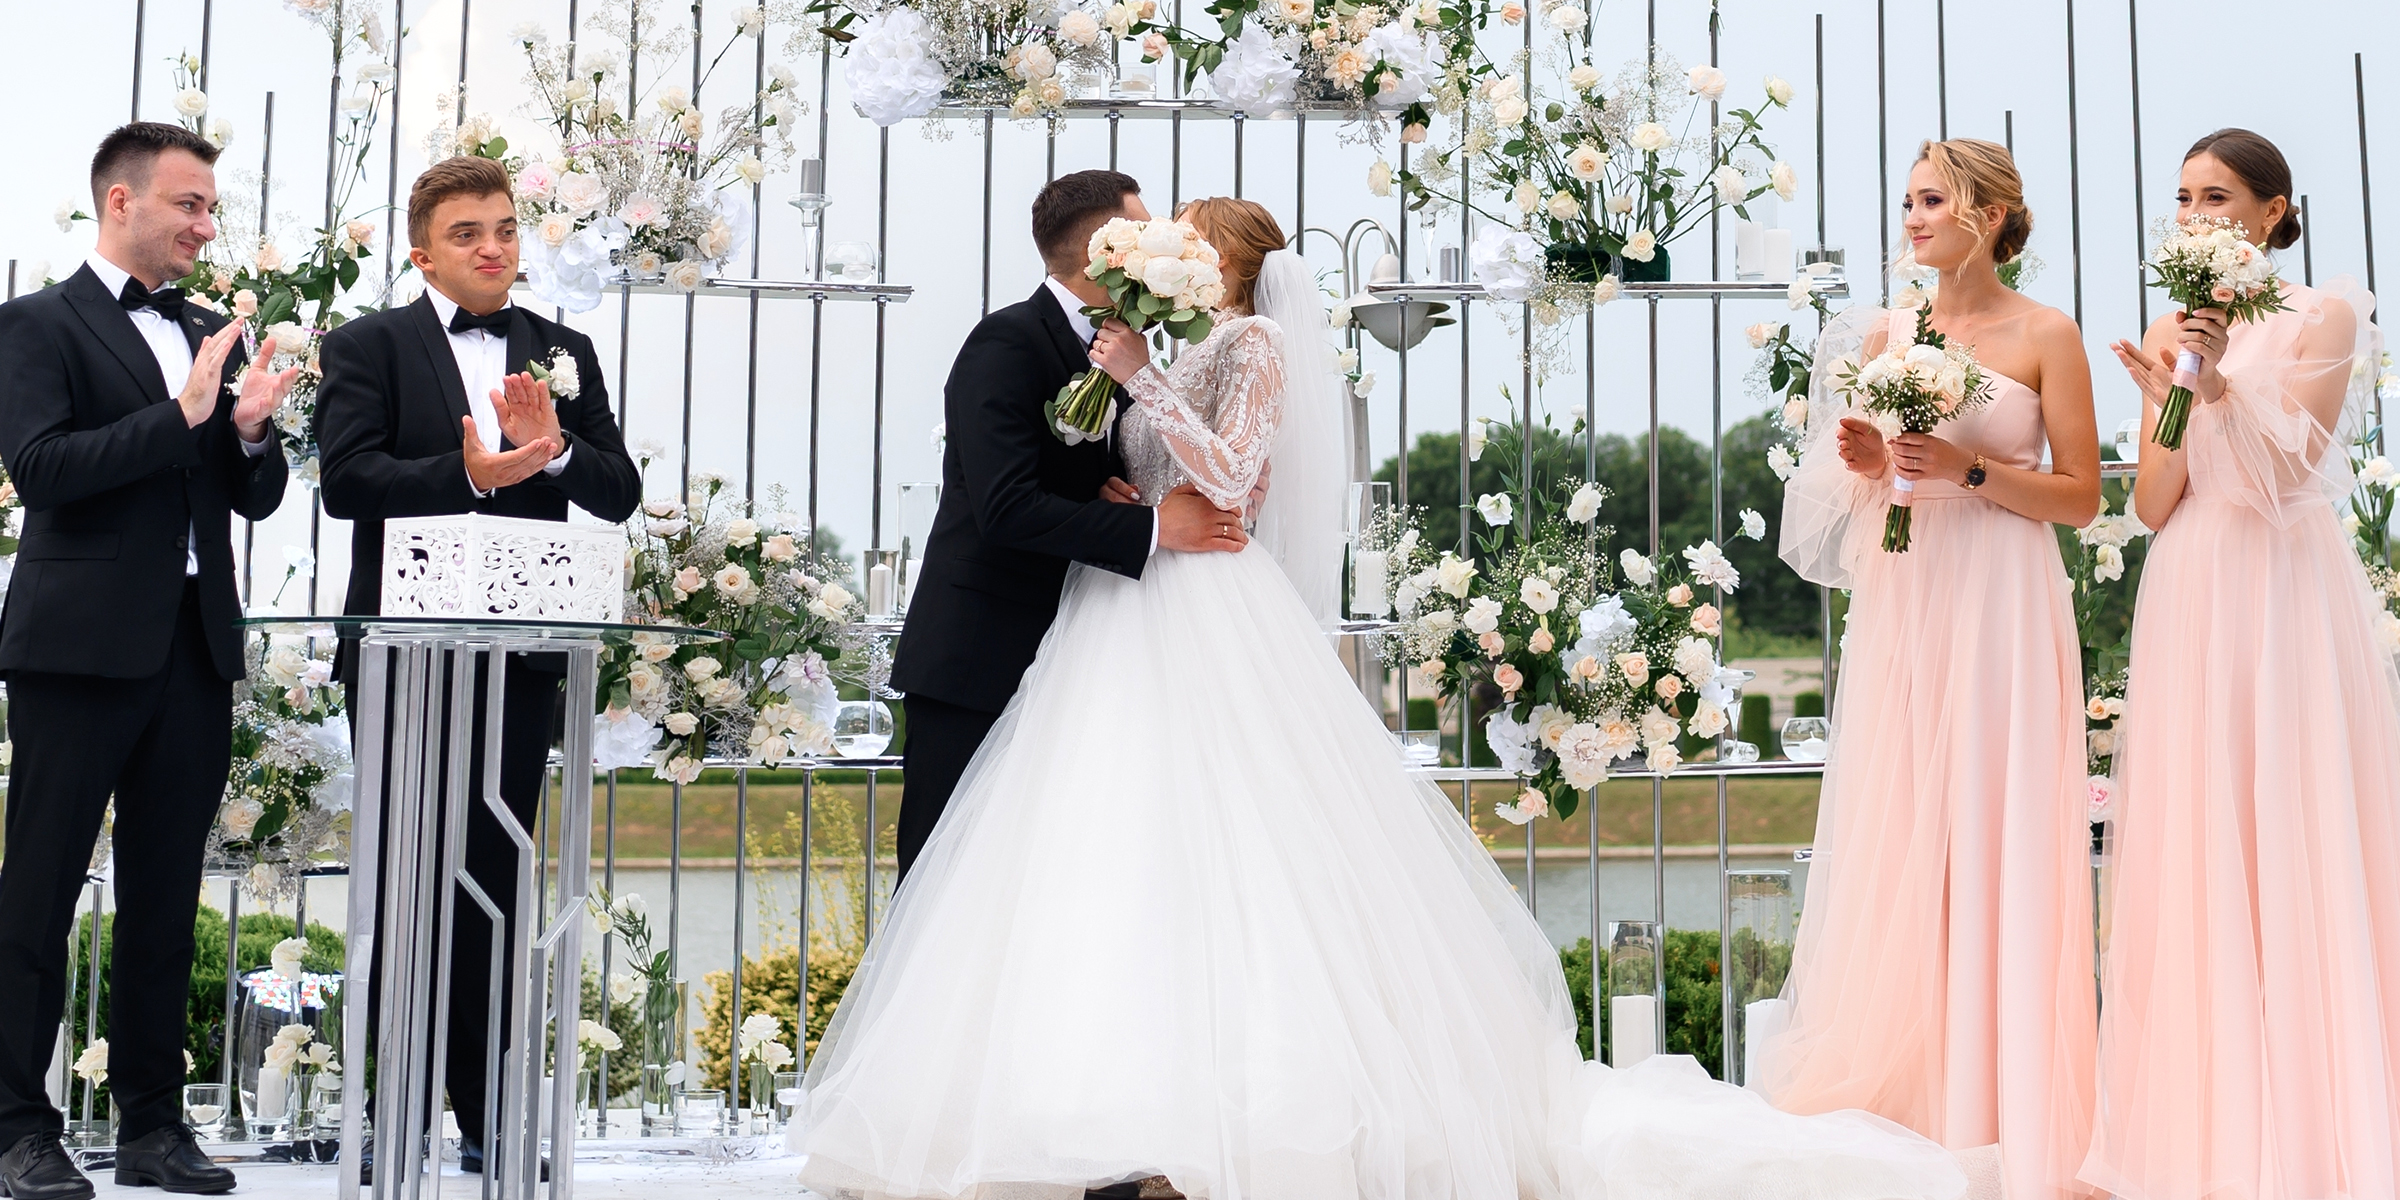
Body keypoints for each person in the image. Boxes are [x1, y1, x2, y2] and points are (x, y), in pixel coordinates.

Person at [795, 195, 1968, 1200]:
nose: (1172, 258)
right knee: (1106, 844)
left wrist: (1146, 392)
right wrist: (1123, 474)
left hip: (1205, 602)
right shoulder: (1153, 345)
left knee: (1245, 846)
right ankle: (1084, 1100)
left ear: (1232, 267)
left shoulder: (1248, 343)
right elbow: (1138, 467)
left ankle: (1239, 1108)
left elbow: (1236, 477)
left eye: (1191, 245)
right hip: (1122, 605)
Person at [1765, 138, 2102, 1200]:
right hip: (1911, 603)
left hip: (2003, 593)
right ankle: (1913, 1100)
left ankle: (2009, 1108)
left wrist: (1970, 467)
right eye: (1906, 200)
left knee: (1999, 827)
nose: (1911, 218)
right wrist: (1871, 468)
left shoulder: (2049, 334)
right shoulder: (1885, 331)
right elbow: (1860, 494)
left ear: (1991, 216)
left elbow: (2084, 497)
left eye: (1932, 201)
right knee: (1909, 826)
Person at [2079, 129, 2400, 1200]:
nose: (2196, 215)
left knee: (2297, 830)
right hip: (2193, 586)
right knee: (2199, 840)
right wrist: (2172, 386)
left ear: (2272, 210)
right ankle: (2203, 1127)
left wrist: (2219, 385)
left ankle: (2318, 1121)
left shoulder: (2323, 313)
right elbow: (2154, 501)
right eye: (2182, 199)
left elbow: (2291, 468)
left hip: (2285, 590)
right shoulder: (2173, 326)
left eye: (2218, 196)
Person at [315, 155, 641, 1177]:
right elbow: (346, 481)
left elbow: (620, 491)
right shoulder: (366, 344)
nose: (494, 247)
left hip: (520, 656)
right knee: (406, 881)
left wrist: (552, 454)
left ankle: (487, 1112)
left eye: (504, 228)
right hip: (405, 658)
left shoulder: (563, 349)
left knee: (494, 882)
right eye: (468, 233)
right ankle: (393, 1108)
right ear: (422, 253)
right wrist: (463, 472)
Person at [0, 121, 296, 1200]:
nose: (205, 226)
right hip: (76, 652)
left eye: (211, 207)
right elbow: (42, 470)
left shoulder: (212, 327)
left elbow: (246, 493)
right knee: (35, 898)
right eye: (190, 205)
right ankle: (16, 1129)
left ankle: (151, 1130)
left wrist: (253, 432)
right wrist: (182, 415)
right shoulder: (32, 324)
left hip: (192, 647)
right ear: (120, 202)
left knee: (167, 904)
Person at [886, 168, 1250, 883]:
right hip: (979, 659)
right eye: (1146, 232)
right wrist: (1154, 531)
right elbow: (1004, 508)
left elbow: (1071, 474)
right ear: (1104, 255)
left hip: (1077, 658)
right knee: (942, 882)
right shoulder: (1006, 345)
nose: (1163, 244)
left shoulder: (1116, 348)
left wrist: (1109, 494)